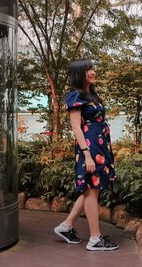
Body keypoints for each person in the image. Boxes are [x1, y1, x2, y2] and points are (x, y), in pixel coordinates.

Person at [54, 59, 119, 251]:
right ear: (79, 73)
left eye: (92, 68)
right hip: (89, 146)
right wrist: (87, 155)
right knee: (92, 190)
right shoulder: (75, 96)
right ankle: (95, 239)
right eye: (88, 69)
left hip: (99, 145)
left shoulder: (91, 94)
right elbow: (76, 127)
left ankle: (66, 226)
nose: (93, 71)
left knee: (92, 188)